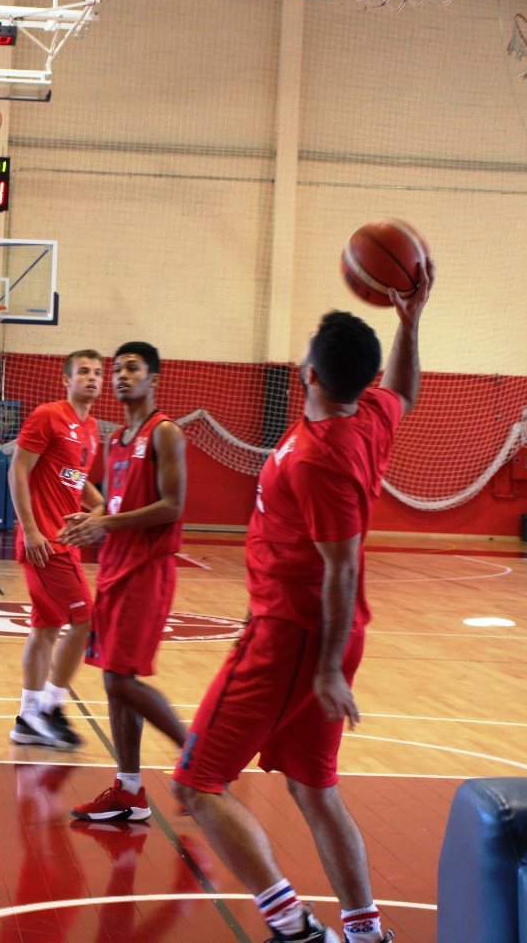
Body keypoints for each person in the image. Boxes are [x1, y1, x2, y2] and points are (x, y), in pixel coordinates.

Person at [169, 265, 433, 943]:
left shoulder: (322, 457)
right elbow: (404, 390)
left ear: (308, 374)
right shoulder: (370, 415)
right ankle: (365, 933)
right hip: (314, 638)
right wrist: (409, 321)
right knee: (314, 788)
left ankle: (293, 927)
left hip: (293, 640)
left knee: (196, 785)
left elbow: (342, 568)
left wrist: (326, 671)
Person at [59, 342, 189, 821]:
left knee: (119, 678)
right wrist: (92, 519)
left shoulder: (165, 433)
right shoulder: (115, 439)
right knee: (115, 683)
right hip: (114, 568)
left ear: (154, 378)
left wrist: (107, 524)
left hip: (146, 571)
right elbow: (116, 506)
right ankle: (129, 790)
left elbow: (173, 506)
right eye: (117, 370)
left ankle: (197, 755)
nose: (120, 376)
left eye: (132, 368)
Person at [7, 349, 106, 750]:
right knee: (86, 620)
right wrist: (30, 530)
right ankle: (50, 708)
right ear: (66, 379)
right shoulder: (48, 416)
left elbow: (77, 480)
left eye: (98, 372)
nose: (92, 378)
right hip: (44, 543)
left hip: (66, 544)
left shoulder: (92, 428)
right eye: (83, 372)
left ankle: (28, 717)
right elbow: (18, 468)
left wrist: (98, 507)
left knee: (46, 628)